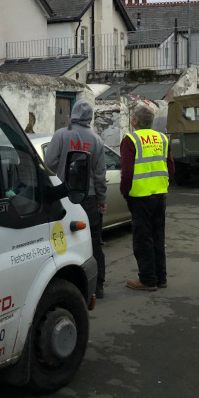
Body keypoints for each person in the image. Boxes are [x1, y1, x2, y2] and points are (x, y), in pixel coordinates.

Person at [45, 99, 107, 298]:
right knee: (94, 242)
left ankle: (67, 284)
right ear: (89, 118)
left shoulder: (61, 135)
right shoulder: (96, 140)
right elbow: (100, 174)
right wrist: (101, 199)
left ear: (72, 114)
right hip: (88, 198)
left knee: (62, 241)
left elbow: (49, 164)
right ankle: (97, 286)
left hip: (64, 196)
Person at [120, 102, 174, 291]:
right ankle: (161, 278)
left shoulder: (130, 140)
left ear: (134, 121)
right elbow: (171, 167)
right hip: (160, 196)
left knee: (143, 240)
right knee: (158, 238)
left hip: (140, 197)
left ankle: (147, 280)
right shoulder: (162, 139)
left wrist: (125, 192)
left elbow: (127, 173)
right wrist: (162, 184)